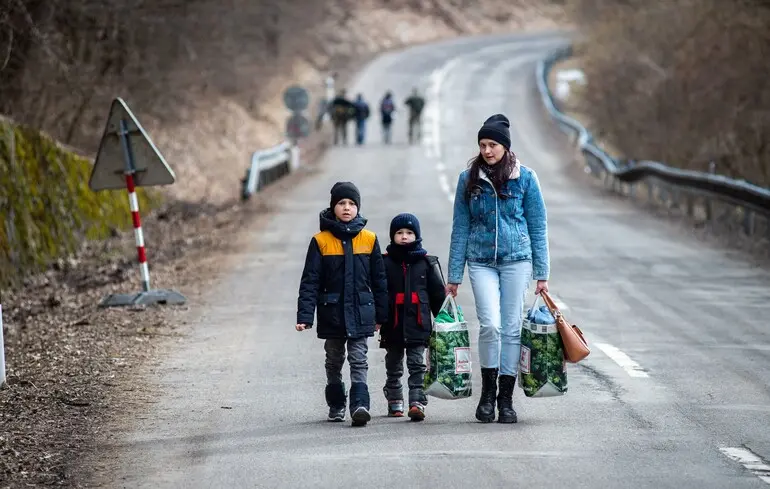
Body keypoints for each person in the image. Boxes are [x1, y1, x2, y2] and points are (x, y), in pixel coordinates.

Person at [445, 114, 550, 424]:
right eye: (482, 145)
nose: (487, 150)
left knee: (512, 327)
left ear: (505, 146)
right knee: (490, 324)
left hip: (517, 259)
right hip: (480, 261)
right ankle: (487, 395)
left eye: (492, 144)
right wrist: (453, 276)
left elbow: (537, 225)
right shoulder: (468, 179)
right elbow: (460, 227)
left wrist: (541, 274)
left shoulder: (526, 178)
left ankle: (506, 399)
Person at [296, 182, 388, 426]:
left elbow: (379, 281)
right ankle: (336, 404)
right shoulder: (321, 241)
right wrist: (305, 315)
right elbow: (310, 281)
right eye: (341, 203)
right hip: (332, 313)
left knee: (359, 359)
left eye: (352, 204)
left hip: (361, 311)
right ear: (333, 207)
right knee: (334, 359)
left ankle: (360, 405)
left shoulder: (369, 239)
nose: (347, 208)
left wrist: (382, 315)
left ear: (358, 208)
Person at [378, 213, 446, 421]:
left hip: (419, 324)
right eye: (399, 233)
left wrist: (444, 320)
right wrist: (378, 318)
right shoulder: (384, 262)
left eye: (409, 233)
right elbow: (378, 293)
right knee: (393, 364)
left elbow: (437, 296)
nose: (404, 236)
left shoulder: (426, 263)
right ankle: (394, 399)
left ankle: (417, 401)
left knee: (417, 364)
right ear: (392, 236)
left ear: (417, 236)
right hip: (393, 325)